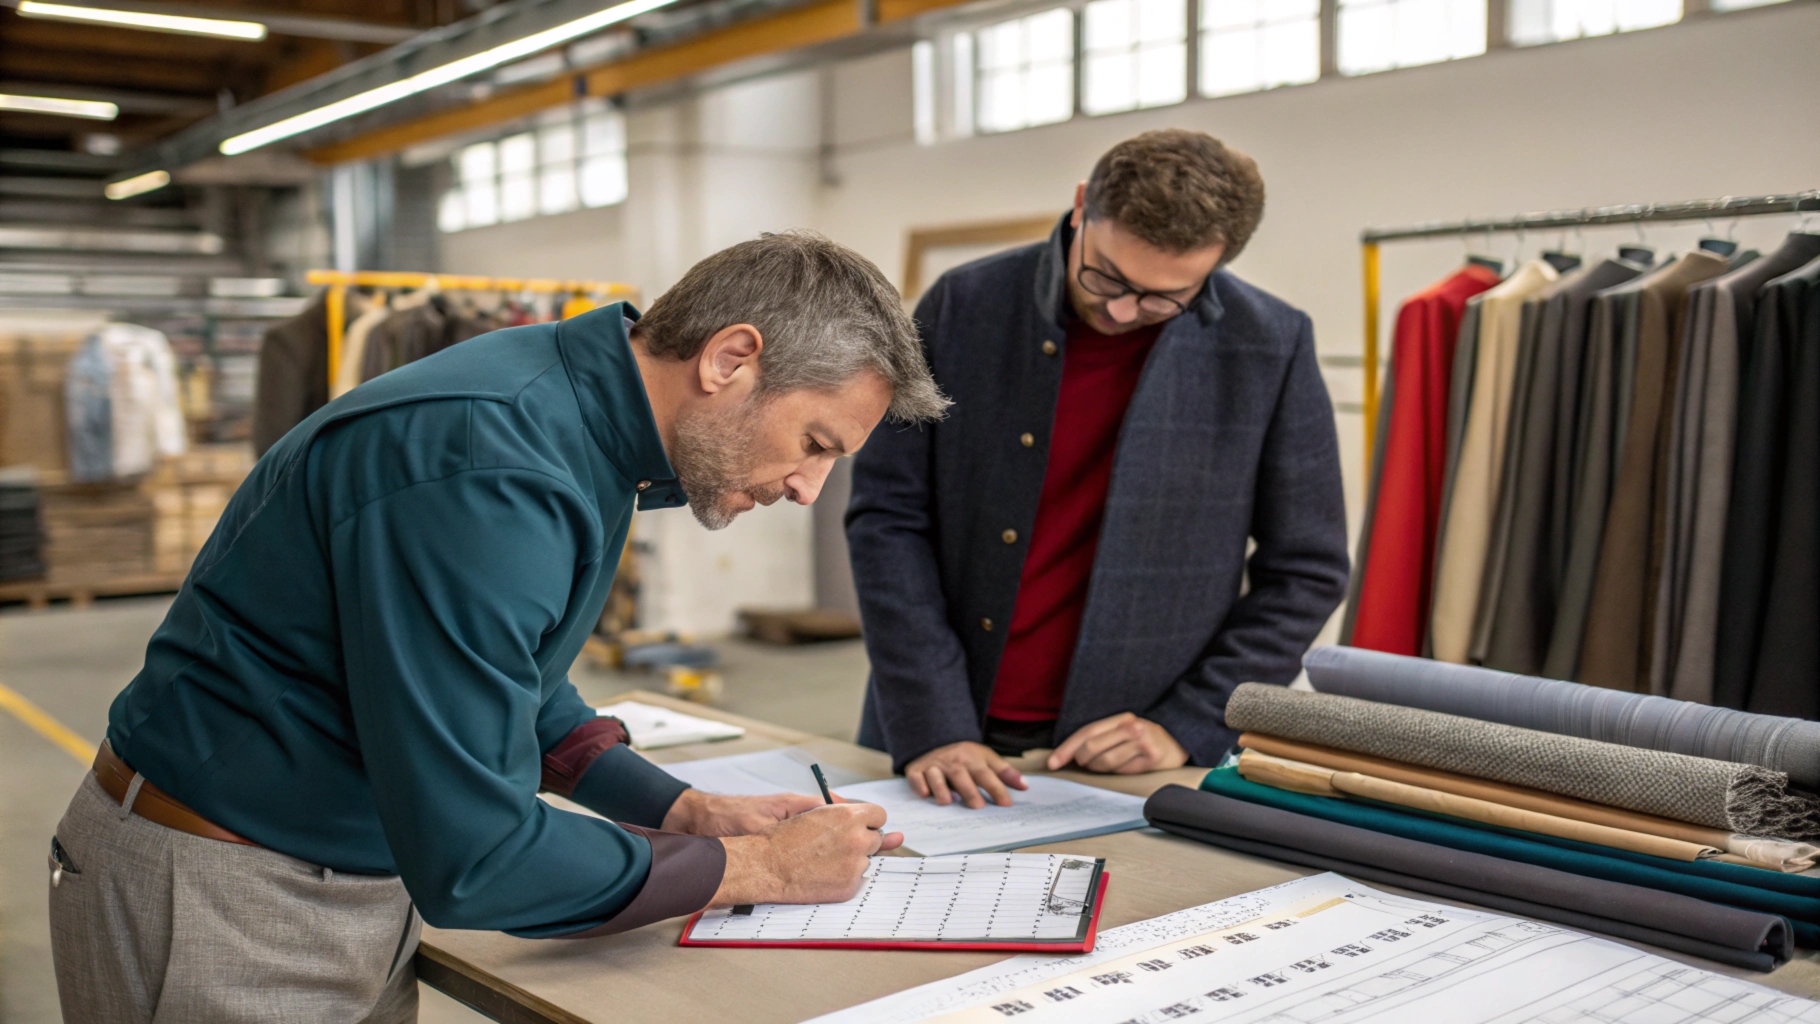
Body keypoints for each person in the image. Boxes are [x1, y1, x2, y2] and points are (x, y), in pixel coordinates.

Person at [48, 231, 948, 1024]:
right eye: (817, 444)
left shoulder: (577, 419)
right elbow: (476, 857)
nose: (807, 488)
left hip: (334, 874)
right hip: (231, 892)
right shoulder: (491, 461)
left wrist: (682, 810)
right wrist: (764, 872)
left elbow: (510, 674)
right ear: (729, 359)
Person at [848, 129, 1348, 808]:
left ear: (1219, 261)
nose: (1120, 311)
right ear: (1082, 205)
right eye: (1106, 276)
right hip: (935, 738)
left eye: (1163, 297)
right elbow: (887, 518)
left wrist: (1190, 721)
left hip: (1134, 759)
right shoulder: (963, 305)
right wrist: (933, 723)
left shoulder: (1270, 343)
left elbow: (1306, 568)